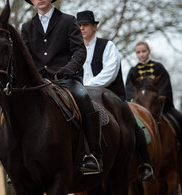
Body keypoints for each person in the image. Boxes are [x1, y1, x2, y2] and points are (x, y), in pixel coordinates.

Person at [21, 0, 102, 174]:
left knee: (82, 97)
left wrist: (69, 69)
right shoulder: (26, 27)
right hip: (38, 83)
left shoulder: (68, 20)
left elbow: (80, 51)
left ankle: (93, 154)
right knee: (5, 110)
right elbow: (25, 59)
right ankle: (16, 161)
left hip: (65, 78)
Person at [76, 10, 154, 181]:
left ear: (94, 26)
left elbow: (110, 73)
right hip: (83, 96)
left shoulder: (108, 46)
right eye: (79, 25)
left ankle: (145, 163)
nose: (82, 28)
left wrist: (87, 87)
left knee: (133, 124)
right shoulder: (75, 50)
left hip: (111, 97)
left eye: (86, 25)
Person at [126, 41, 182, 145]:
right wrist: (133, 99)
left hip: (159, 106)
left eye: (144, 51)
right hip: (140, 107)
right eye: (138, 52)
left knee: (179, 118)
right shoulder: (133, 71)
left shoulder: (158, 67)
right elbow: (129, 88)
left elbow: (165, 82)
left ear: (149, 51)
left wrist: (161, 96)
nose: (141, 54)